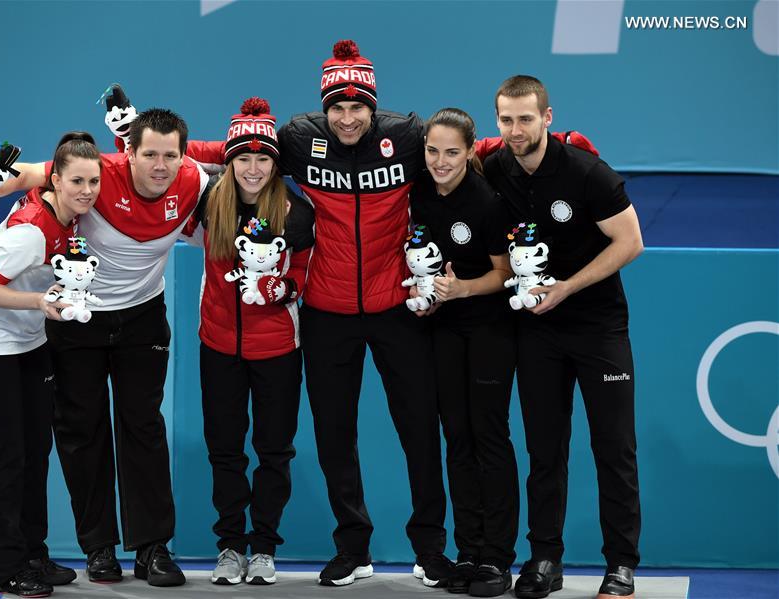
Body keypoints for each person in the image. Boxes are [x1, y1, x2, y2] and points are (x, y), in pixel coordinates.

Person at [184, 41, 591, 588]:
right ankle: (353, 547)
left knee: (420, 431)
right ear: (324, 109)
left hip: (397, 308)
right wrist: (156, 145)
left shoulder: (404, 136)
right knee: (335, 435)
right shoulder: (300, 139)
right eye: (337, 107)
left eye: (358, 107)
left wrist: (556, 142)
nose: (348, 118)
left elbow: (471, 145)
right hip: (327, 313)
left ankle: (430, 549)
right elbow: (228, 149)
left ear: (373, 106)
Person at [0, 106, 208, 587]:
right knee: (81, 432)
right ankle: (99, 549)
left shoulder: (195, 182)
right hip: (76, 319)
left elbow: (246, 171)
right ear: (129, 151)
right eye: (149, 153)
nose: (160, 165)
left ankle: (153, 549)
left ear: (184, 156)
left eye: (170, 155)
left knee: (143, 429)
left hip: (143, 319)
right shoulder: (96, 172)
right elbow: (24, 174)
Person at [482, 75, 644, 599]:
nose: (515, 130)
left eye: (525, 119)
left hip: (598, 328)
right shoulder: (494, 170)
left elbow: (631, 242)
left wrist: (568, 287)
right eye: (506, 119)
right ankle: (545, 559)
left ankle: (620, 564)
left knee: (612, 449)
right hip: (537, 333)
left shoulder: (586, 172)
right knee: (545, 451)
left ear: (548, 118)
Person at [0, 133, 101, 598]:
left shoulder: (68, 214)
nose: (88, 190)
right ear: (56, 179)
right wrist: (40, 300)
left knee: (36, 449)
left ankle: (33, 552)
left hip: (28, 342)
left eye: (94, 181)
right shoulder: (30, 231)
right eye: (77, 181)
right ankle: (7, 568)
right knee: (8, 454)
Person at [185, 98, 314, 586]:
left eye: (263, 159)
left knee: (274, 451)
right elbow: (168, 165)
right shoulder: (209, 201)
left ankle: (263, 547)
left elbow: (304, 270)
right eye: (243, 158)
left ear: (275, 163)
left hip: (278, 348)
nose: (253, 168)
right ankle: (229, 547)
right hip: (218, 345)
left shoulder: (296, 211)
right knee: (225, 449)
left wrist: (284, 289)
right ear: (230, 159)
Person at [408, 108, 519, 597]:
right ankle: (470, 550)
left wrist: (461, 292)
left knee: (488, 437)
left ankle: (498, 558)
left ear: (471, 151)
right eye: (433, 150)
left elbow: (505, 274)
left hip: (490, 330)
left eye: (452, 152)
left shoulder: (488, 203)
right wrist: (431, 300)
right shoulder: (419, 194)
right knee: (456, 437)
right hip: (445, 332)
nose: (440, 161)